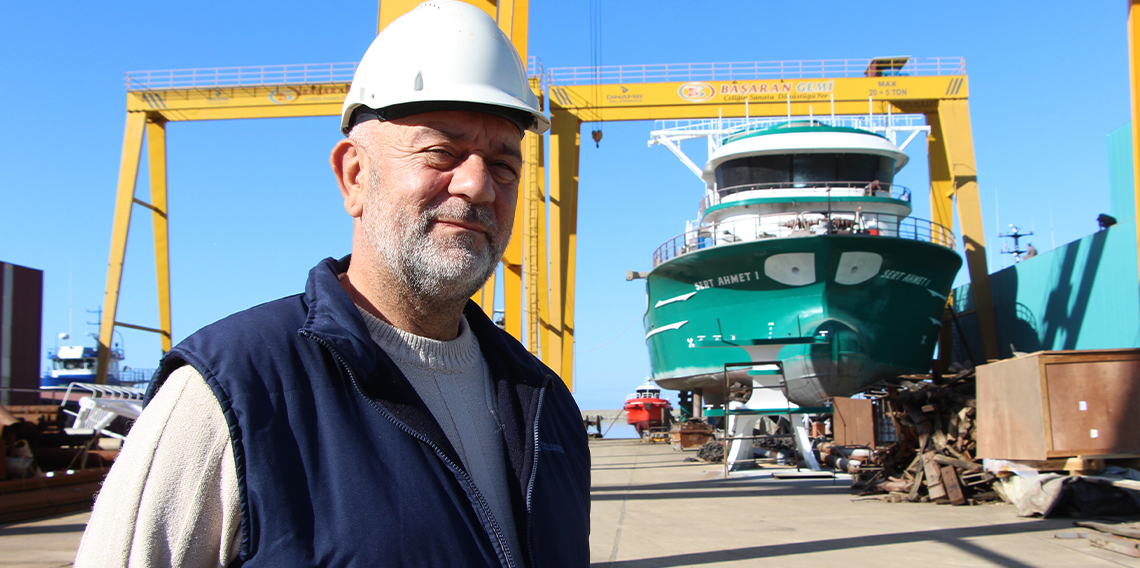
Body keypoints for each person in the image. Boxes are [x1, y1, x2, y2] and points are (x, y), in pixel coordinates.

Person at [74, 2, 591, 566]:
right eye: (441, 151)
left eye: (504, 164)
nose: (478, 185)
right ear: (354, 176)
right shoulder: (231, 395)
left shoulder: (547, 406)